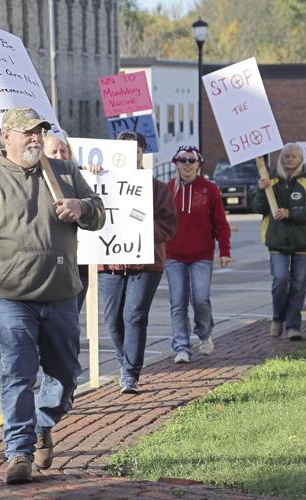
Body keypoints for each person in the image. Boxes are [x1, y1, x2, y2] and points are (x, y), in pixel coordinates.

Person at [0, 107, 105, 485]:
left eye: (39, 132)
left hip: (61, 293)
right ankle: (18, 451)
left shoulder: (65, 173)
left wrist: (80, 207)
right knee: (17, 372)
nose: (35, 138)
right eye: (27, 133)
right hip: (11, 297)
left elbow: (98, 214)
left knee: (65, 373)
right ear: (6, 137)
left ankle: (42, 423)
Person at [99, 131, 178, 394]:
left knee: (134, 315)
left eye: (137, 150)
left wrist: (141, 230)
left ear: (143, 153)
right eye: (124, 150)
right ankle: (124, 364)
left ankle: (131, 373)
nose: (131, 155)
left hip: (145, 263)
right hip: (110, 262)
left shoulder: (156, 188)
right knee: (113, 320)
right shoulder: (101, 182)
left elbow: (168, 226)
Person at [165, 145, 231, 364]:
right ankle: (182, 346)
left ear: (199, 164)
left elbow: (221, 223)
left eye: (191, 161)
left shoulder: (209, 189)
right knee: (178, 301)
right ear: (176, 163)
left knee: (200, 298)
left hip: (201, 254)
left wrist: (224, 250)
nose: (187, 165)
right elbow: (158, 220)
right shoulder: (168, 189)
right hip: (174, 255)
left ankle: (204, 334)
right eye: (182, 160)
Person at [253, 143, 306, 340]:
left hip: (302, 242)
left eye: (293, 156)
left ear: (301, 158)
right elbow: (258, 208)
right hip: (277, 241)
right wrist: (260, 190)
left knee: (298, 285)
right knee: (280, 280)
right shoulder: (270, 179)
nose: (289, 160)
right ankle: (277, 318)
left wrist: (291, 213)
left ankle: (293, 326)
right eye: (286, 156)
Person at [42, 133, 89, 312]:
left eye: (63, 151)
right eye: (53, 152)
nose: (59, 156)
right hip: (48, 264)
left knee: (68, 319)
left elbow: (96, 203)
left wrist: (97, 173)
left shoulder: (80, 175)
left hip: (78, 263)